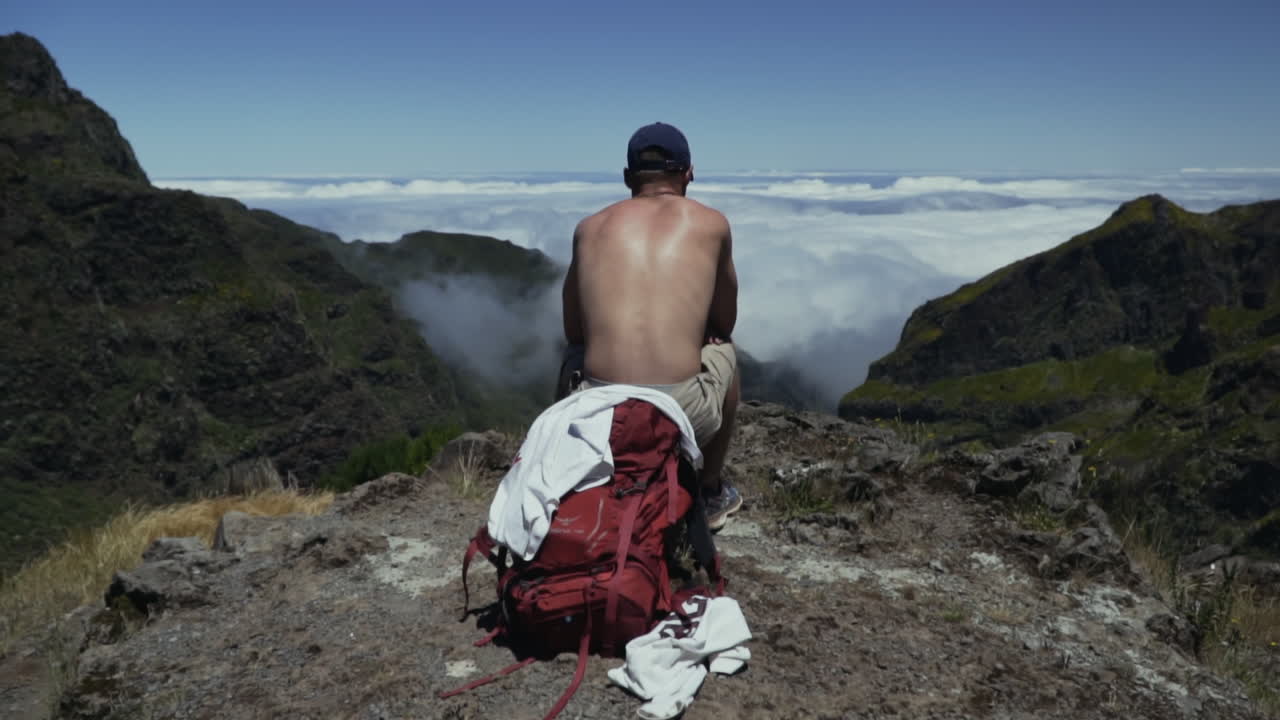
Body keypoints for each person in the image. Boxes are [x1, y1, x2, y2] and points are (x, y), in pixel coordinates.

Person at [559, 122, 742, 530]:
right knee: (725, 350)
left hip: (596, 411)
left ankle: (568, 465)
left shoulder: (589, 228)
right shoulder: (712, 224)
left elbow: (573, 330)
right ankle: (709, 490)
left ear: (627, 177)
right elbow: (724, 323)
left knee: (572, 354)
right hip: (681, 412)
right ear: (689, 173)